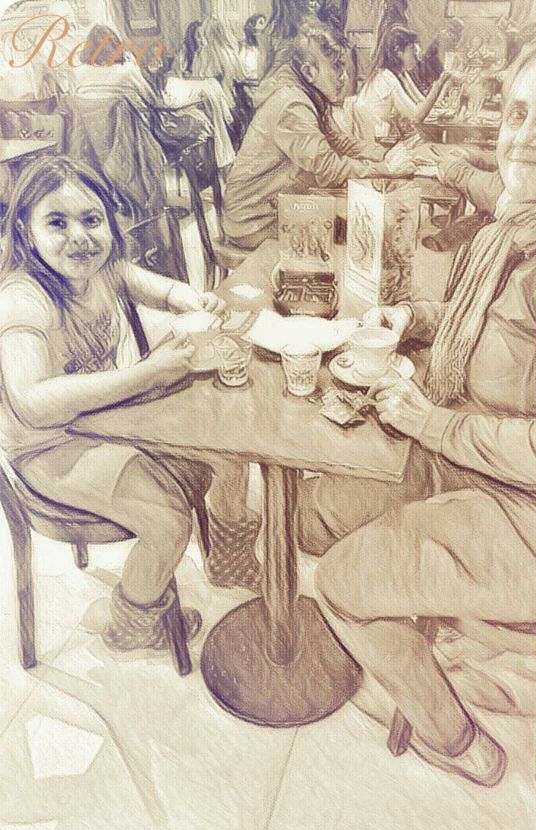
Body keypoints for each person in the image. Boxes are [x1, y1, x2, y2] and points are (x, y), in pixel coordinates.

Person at [299, 25, 536, 786]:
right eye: (518, 113)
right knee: (316, 510)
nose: (523, 135)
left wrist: (432, 423)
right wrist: (414, 319)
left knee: (341, 583)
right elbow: (485, 321)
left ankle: (454, 741)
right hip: (486, 470)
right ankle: (431, 626)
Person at [0, 156, 255, 653]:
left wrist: (188, 298)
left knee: (229, 443)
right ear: (26, 232)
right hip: (48, 449)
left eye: (91, 219)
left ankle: (229, 555)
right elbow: (32, 404)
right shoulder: (22, 301)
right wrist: (146, 375)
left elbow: (157, 289)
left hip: (106, 419)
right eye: (57, 222)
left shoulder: (104, 269)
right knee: (168, 521)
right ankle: (131, 624)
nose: (79, 237)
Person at [222, 22, 420, 250]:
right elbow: (328, 168)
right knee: (359, 237)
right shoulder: (292, 105)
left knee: (361, 229)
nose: (344, 77)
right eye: (336, 67)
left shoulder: (309, 95)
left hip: (276, 209)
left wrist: (385, 154)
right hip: (254, 222)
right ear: (309, 72)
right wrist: (386, 168)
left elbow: (341, 142)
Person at [352, 26, 450, 142]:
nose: (416, 55)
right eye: (412, 50)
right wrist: (439, 83)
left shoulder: (401, 74)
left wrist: (442, 89)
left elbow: (421, 102)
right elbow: (416, 117)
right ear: (398, 52)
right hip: (373, 140)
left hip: (382, 136)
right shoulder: (386, 78)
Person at [164, 20, 236, 171]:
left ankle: (212, 155)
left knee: (209, 97)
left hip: (211, 95)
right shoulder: (186, 54)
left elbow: (214, 77)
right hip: (193, 96)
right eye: (198, 36)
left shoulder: (210, 53)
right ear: (192, 37)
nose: (201, 39)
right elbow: (176, 73)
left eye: (203, 35)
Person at [239, 13, 269, 82]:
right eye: (261, 22)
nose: (265, 26)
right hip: (248, 82)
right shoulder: (244, 47)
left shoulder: (267, 48)